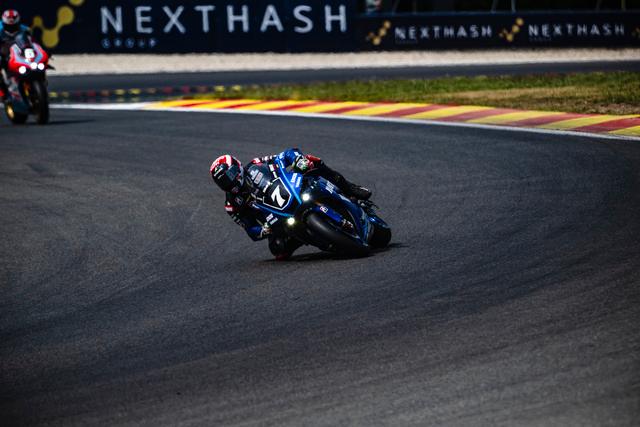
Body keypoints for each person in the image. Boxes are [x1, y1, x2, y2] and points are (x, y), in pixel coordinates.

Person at [210, 148, 372, 260]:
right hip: (276, 220)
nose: (230, 181)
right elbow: (250, 229)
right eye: (223, 181)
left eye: (230, 175)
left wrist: (297, 159)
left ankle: (350, 188)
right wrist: (263, 230)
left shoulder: (255, 165)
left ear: (237, 167)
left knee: (312, 162)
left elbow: (285, 155)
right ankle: (320, 239)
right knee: (278, 250)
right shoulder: (231, 204)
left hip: (290, 190)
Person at [0, 9, 31, 100]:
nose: (11, 20)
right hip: (4, 52)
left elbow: (32, 42)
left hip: (19, 52)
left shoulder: (25, 29)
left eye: (13, 18)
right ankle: (2, 92)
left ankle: (40, 79)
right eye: (9, 18)